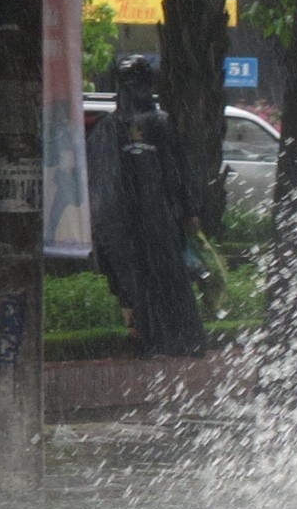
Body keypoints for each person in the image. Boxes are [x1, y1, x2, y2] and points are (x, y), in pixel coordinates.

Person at [87, 55, 211, 358]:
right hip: (148, 222)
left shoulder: (119, 126)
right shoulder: (125, 127)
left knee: (145, 280)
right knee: (157, 280)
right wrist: (188, 212)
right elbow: (176, 172)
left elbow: (174, 171)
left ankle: (156, 340)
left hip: (137, 223)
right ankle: (171, 340)